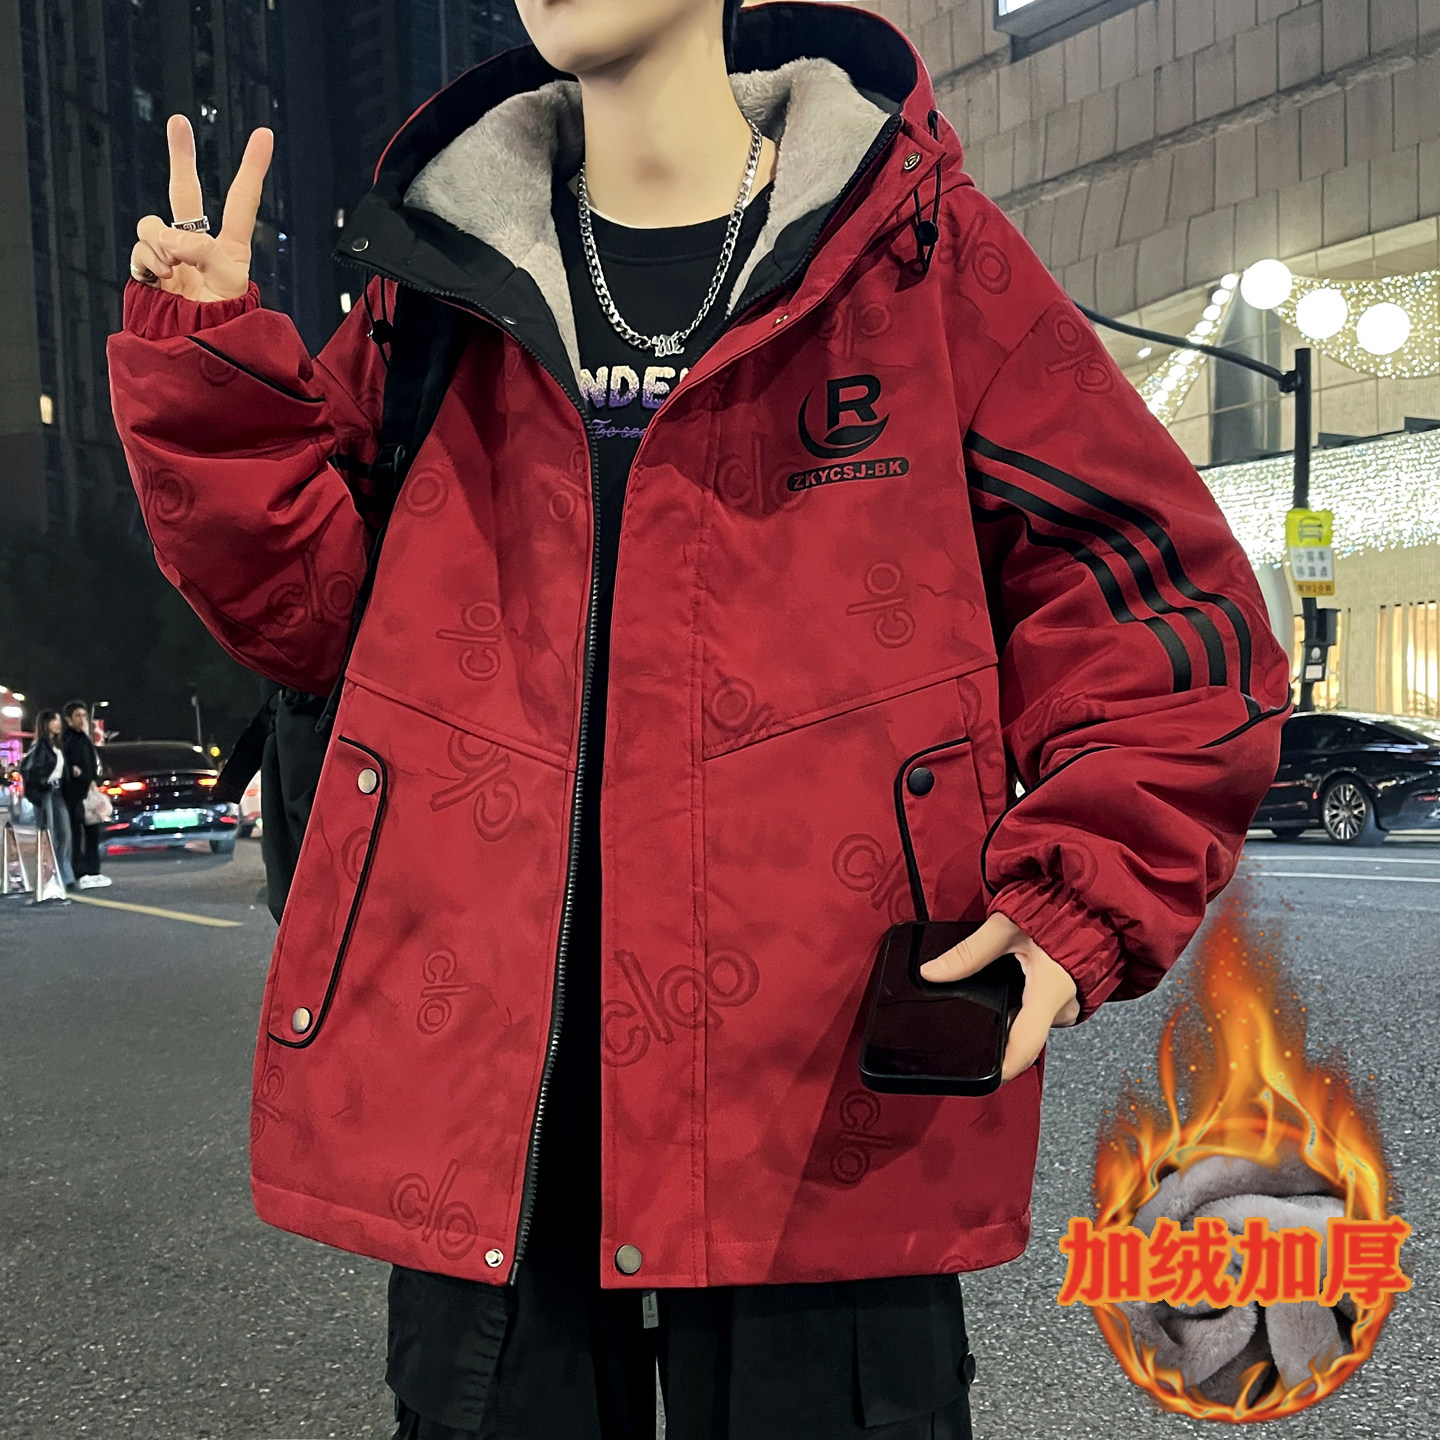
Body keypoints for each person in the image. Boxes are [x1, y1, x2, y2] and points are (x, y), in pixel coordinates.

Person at [107, 2, 1295, 1436]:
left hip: (817, 1074)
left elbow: (1163, 605)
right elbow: (309, 622)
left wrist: (1079, 900)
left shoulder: (913, 251)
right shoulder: (437, 281)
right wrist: (212, 377)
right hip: (494, 1084)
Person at [20, 710, 77, 896]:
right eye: (55, 721)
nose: (58, 724)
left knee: (65, 834)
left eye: (59, 721)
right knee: (48, 834)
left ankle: (65, 875)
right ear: (46, 724)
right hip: (45, 792)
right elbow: (28, 769)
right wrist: (41, 784)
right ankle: (49, 877)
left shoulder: (56, 745)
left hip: (57, 792)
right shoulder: (40, 746)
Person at [61, 702, 112, 890]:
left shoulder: (84, 738)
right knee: (76, 834)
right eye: (77, 716)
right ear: (68, 719)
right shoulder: (66, 740)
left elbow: (91, 764)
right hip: (73, 795)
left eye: (84, 716)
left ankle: (93, 869)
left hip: (88, 793)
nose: (82, 719)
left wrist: (93, 780)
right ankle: (79, 871)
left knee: (93, 831)